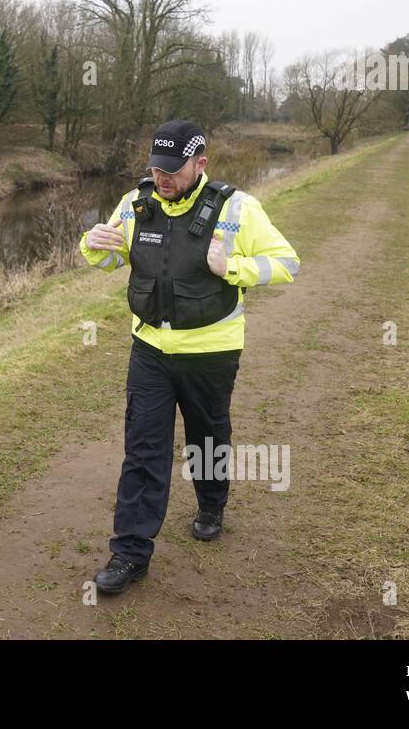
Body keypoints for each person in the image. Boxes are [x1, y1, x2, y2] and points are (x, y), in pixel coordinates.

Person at [79, 120, 299, 594]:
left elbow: (287, 262)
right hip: (150, 349)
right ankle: (129, 554)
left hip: (211, 351)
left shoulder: (238, 208)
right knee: (143, 449)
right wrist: (91, 245)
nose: (163, 179)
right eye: (156, 168)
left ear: (201, 164)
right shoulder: (136, 203)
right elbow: (111, 258)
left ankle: (211, 503)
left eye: (173, 171)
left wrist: (232, 267)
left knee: (207, 434)